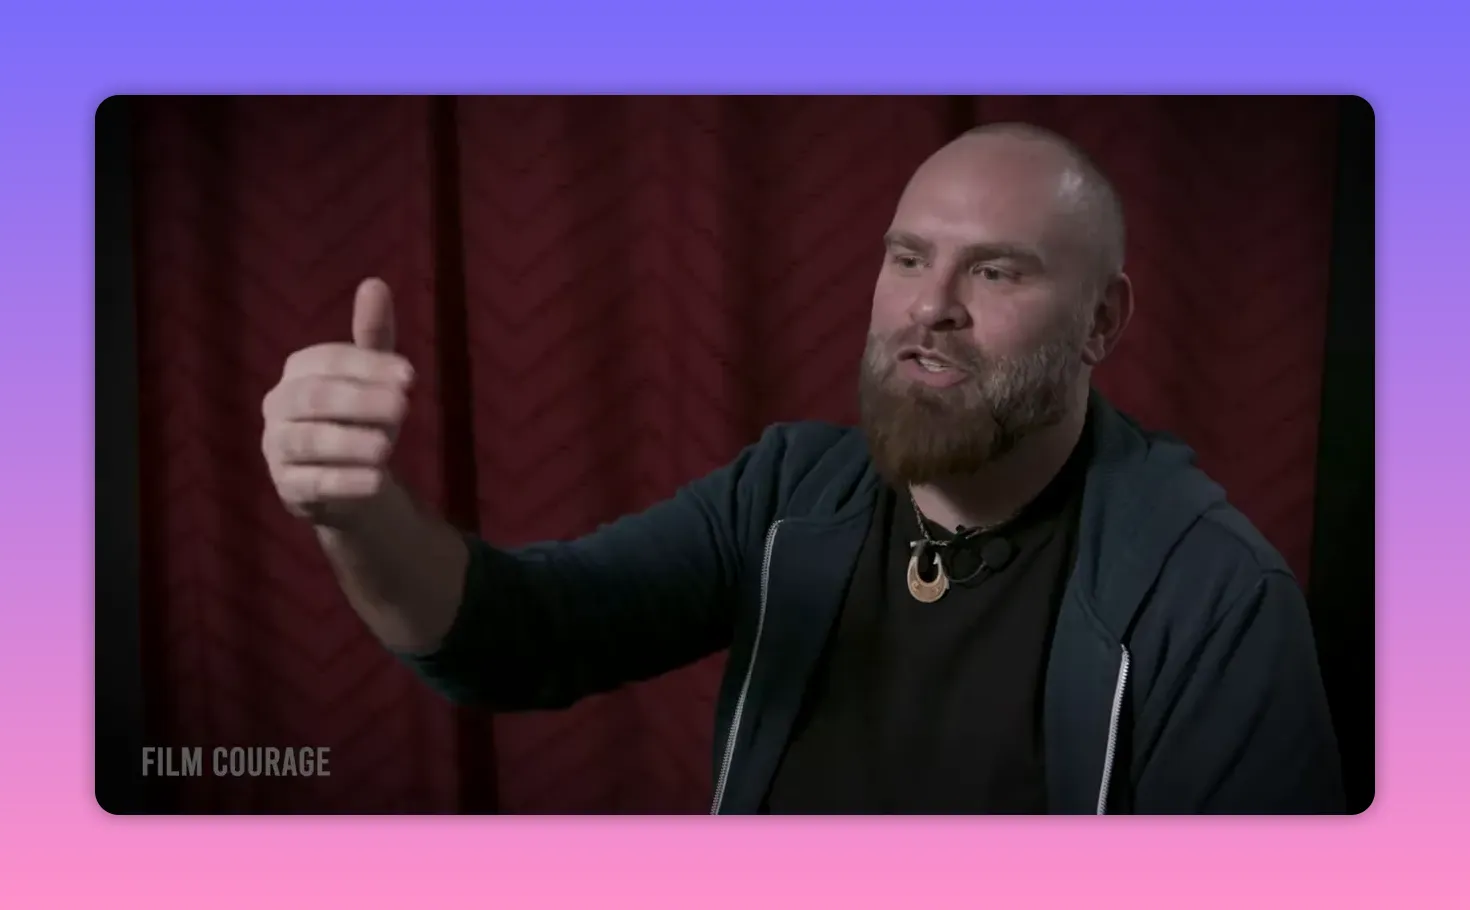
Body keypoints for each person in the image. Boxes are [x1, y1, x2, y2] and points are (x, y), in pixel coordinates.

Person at [260, 123, 1345, 814]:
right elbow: (521, 632)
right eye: (909, 258)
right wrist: (356, 513)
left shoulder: (1211, 597)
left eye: (996, 270)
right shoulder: (790, 495)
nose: (930, 306)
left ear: (1102, 320)